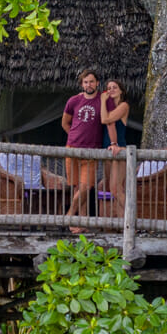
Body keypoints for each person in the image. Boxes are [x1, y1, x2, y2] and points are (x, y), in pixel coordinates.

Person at [61, 69, 104, 230]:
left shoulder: (103, 100)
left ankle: (70, 215)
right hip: (72, 148)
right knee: (77, 188)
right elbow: (65, 123)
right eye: (86, 82)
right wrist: (74, 137)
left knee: (86, 187)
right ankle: (82, 223)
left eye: (92, 81)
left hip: (92, 151)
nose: (89, 84)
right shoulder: (73, 101)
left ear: (97, 83)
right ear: (82, 84)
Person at [101, 80, 131, 203]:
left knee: (116, 189)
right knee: (109, 188)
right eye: (109, 88)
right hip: (107, 150)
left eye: (115, 87)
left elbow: (105, 119)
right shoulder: (108, 107)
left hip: (119, 150)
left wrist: (102, 101)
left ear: (121, 91)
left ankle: (131, 219)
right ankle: (120, 220)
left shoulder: (124, 106)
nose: (111, 90)